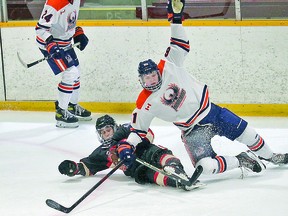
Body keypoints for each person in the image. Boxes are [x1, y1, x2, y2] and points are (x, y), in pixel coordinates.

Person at [123, 0, 288, 178]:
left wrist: (176, 19)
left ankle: (272, 156)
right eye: (146, 79)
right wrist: (127, 145)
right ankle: (242, 160)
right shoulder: (144, 103)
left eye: (153, 75)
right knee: (206, 167)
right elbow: (138, 131)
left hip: (211, 113)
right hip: (192, 131)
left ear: (158, 71)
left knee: (249, 134)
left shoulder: (169, 64)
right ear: (141, 81)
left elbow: (180, 43)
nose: (151, 80)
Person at [58, 114, 197, 191]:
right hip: (135, 168)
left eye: (108, 130)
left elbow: (149, 134)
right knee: (149, 175)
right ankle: (176, 182)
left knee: (163, 156)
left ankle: (178, 170)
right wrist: (74, 168)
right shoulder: (102, 152)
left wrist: (130, 145)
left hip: (147, 151)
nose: (106, 134)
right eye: (103, 132)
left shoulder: (126, 129)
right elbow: (88, 166)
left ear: (114, 127)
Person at [35, 0, 91, 128]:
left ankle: (71, 106)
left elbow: (67, 20)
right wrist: (50, 45)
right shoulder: (55, 3)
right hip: (50, 45)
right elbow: (40, 29)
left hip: (65, 42)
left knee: (77, 71)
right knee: (70, 73)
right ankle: (61, 112)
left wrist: (77, 32)